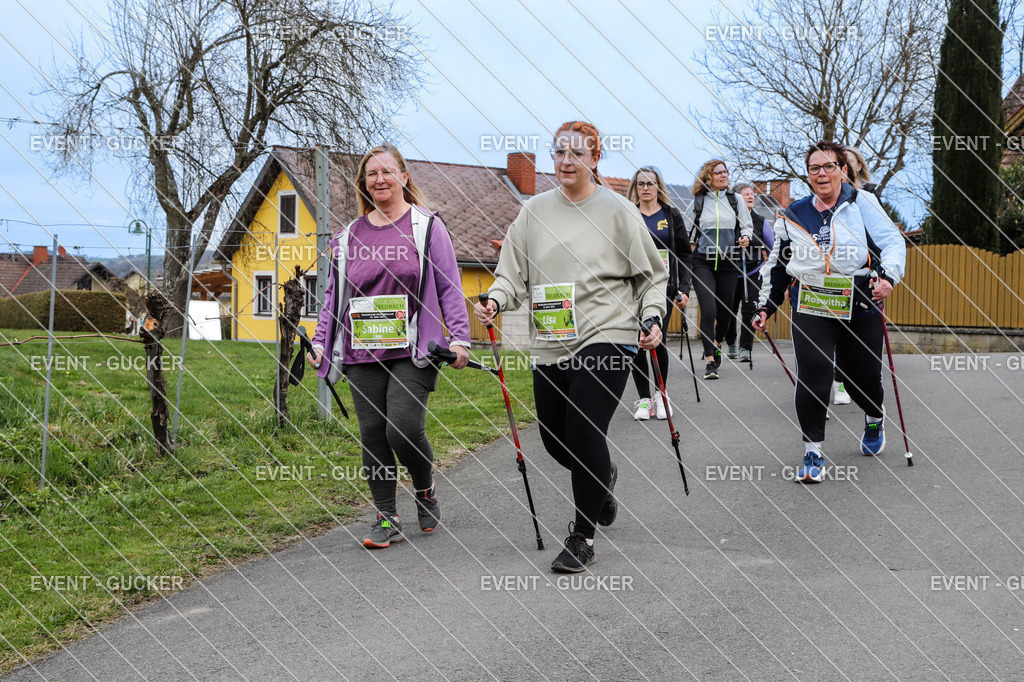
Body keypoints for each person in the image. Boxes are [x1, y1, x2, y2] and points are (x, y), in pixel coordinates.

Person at [474, 121, 667, 573]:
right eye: (559, 152)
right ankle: (604, 477)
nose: (565, 161)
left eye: (577, 154)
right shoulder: (533, 212)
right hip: (550, 339)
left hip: (608, 333)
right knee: (556, 441)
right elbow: (510, 275)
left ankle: (582, 536)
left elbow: (652, 276)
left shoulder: (619, 211)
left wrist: (652, 316)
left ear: (595, 159)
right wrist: (495, 302)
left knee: (583, 429)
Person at [307, 143, 472, 548]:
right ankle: (386, 516)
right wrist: (320, 344)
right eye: (371, 174)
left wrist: (460, 339)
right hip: (362, 350)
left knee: (402, 428)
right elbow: (333, 298)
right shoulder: (347, 237)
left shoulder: (427, 227)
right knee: (373, 433)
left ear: (403, 177)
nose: (379, 179)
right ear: (364, 183)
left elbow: (449, 285)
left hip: (415, 347)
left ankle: (425, 488)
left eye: (387, 171)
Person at [753, 140, 906, 483]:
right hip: (811, 303)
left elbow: (893, 243)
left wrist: (889, 276)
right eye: (814, 168)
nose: (821, 174)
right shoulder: (793, 213)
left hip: (859, 302)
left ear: (843, 170)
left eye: (828, 167)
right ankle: (812, 452)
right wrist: (766, 306)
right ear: (808, 175)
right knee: (814, 368)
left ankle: (873, 415)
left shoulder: (861, 202)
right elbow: (777, 265)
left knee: (860, 378)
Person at [626, 166, 691, 420]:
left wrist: (684, 288)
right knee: (637, 341)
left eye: (650, 183)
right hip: (633, 287)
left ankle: (661, 394)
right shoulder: (628, 214)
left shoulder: (671, 215)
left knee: (655, 336)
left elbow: (685, 254)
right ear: (636, 187)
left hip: (663, 286)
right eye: (641, 184)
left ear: (658, 187)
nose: (645, 188)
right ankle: (644, 399)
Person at [684, 160, 753, 379]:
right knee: (709, 310)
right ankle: (710, 361)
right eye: (718, 172)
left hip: (728, 262)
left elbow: (746, 225)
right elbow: (685, 231)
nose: (724, 175)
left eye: (725, 172)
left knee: (726, 314)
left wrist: (745, 237)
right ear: (708, 176)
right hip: (702, 262)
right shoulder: (698, 201)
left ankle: (716, 343)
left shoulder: (736, 200)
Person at [722, 182, 775, 364]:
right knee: (727, 311)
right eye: (746, 194)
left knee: (750, 310)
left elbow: (773, 247)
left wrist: (770, 269)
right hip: (729, 272)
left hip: (753, 271)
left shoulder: (760, 221)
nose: (751, 197)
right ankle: (731, 343)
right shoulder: (727, 220)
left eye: (752, 194)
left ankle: (746, 348)